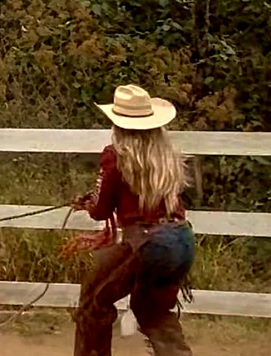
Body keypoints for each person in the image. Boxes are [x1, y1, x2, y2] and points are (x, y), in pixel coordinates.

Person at [69, 84, 195, 356]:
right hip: (181, 239)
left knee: (94, 300)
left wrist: (90, 203)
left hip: (148, 243)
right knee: (153, 311)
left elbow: (101, 210)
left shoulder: (115, 156)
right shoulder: (166, 154)